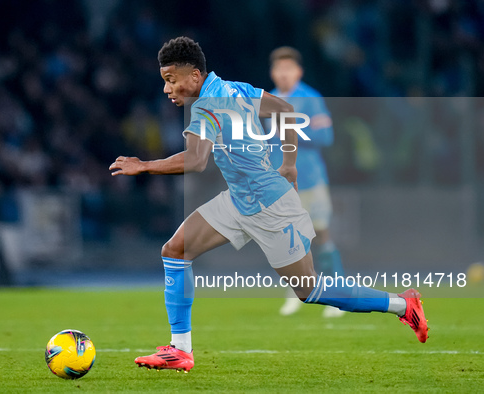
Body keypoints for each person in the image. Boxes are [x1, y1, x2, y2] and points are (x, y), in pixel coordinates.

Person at [109, 37, 429, 373]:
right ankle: (180, 350)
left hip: (270, 206)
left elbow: (197, 159)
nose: (167, 89)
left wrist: (143, 165)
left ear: (195, 75)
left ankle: (403, 305)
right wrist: (288, 164)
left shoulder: (208, 105)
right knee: (175, 250)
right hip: (239, 199)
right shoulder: (235, 88)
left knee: (310, 289)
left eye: (170, 80)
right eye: (164, 81)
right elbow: (285, 110)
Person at [267, 46, 344, 318]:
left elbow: (326, 138)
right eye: (279, 69)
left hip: (310, 179)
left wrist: (294, 131)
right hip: (281, 184)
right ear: (273, 72)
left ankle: (338, 296)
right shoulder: (269, 100)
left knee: (321, 233)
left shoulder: (311, 99)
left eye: (289, 69)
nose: (284, 74)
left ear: (298, 71)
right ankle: (295, 294)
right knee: (287, 239)